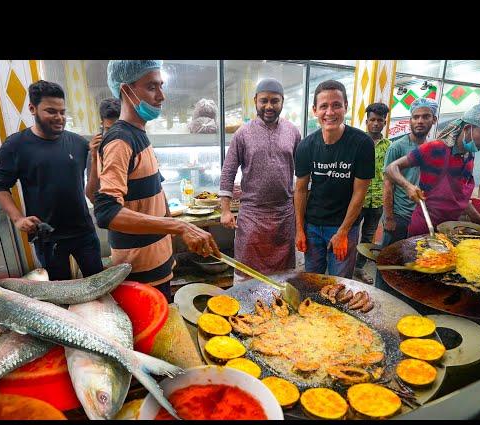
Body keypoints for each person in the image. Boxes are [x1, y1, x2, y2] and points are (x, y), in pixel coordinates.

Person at [94, 60, 219, 301]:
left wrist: (178, 229)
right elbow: (106, 212)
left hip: (158, 265)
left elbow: (155, 192)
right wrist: (179, 227)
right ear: (125, 90)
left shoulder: (139, 134)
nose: (161, 96)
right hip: (139, 273)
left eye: (161, 86)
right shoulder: (120, 141)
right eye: (152, 87)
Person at [0, 80, 104, 281]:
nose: (59, 118)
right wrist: (18, 218)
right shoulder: (16, 145)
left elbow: (95, 182)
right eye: (51, 111)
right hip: (47, 237)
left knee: (97, 285)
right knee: (60, 292)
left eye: (62, 112)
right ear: (32, 109)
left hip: (84, 232)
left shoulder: (78, 143)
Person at [219, 78, 301, 283]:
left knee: (283, 277)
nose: (269, 106)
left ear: (282, 102)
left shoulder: (293, 132)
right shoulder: (242, 133)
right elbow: (228, 171)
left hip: (284, 215)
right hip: (252, 215)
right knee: (246, 274)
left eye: (275, 101)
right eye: (264, 100)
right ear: (255, 100)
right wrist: (225, 210)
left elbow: (302, 174)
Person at [386, 102, 480, 236]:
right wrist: (408, 186)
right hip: (426, 226)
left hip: (451, 229)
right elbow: (391, 168)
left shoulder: (468, 156)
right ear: (467, 128)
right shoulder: (435, 148)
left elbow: (460, 198)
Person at [294, 80, 375, 279]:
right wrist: (299, 229)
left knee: (339, 284)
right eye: (323, 106)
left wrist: (343, 232)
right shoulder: (306, 146)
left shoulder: (362, 143)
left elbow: (360, 192)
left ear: (346, 107)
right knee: (312, 281)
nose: (330, 112)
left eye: (336, 105)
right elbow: (301, 190)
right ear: (315, 110)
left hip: (345, 225)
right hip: (312, 226)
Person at [381, 98, 438, 248]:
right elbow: (387, 185)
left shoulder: (434, 148)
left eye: (426, 117)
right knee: (389, 259)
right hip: (399, 215)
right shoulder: (397, 147)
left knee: (414, 256)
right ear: (410, 121)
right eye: (416, 117)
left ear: (434, 120)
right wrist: (389, 218)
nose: (420, 121)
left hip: (422, 214)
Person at [354, 102, 391, 284]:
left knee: (368, 236)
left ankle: (359, 268)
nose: (376, 123)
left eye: (380, 120)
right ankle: (343, 265)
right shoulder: (357, 142)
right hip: (357, 199)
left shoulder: (389, 146)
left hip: (377, 200)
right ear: (366, 121)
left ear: (385, 122)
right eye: (372, 120)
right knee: (350, 233)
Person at [86, 97, 121, 202]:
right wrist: (95, 158)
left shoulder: (132, 145)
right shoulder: (96, 151)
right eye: (109, 129)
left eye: (118, 129)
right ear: (102, 124)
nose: (114, 135)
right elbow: (92, 197)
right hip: (109, 215)